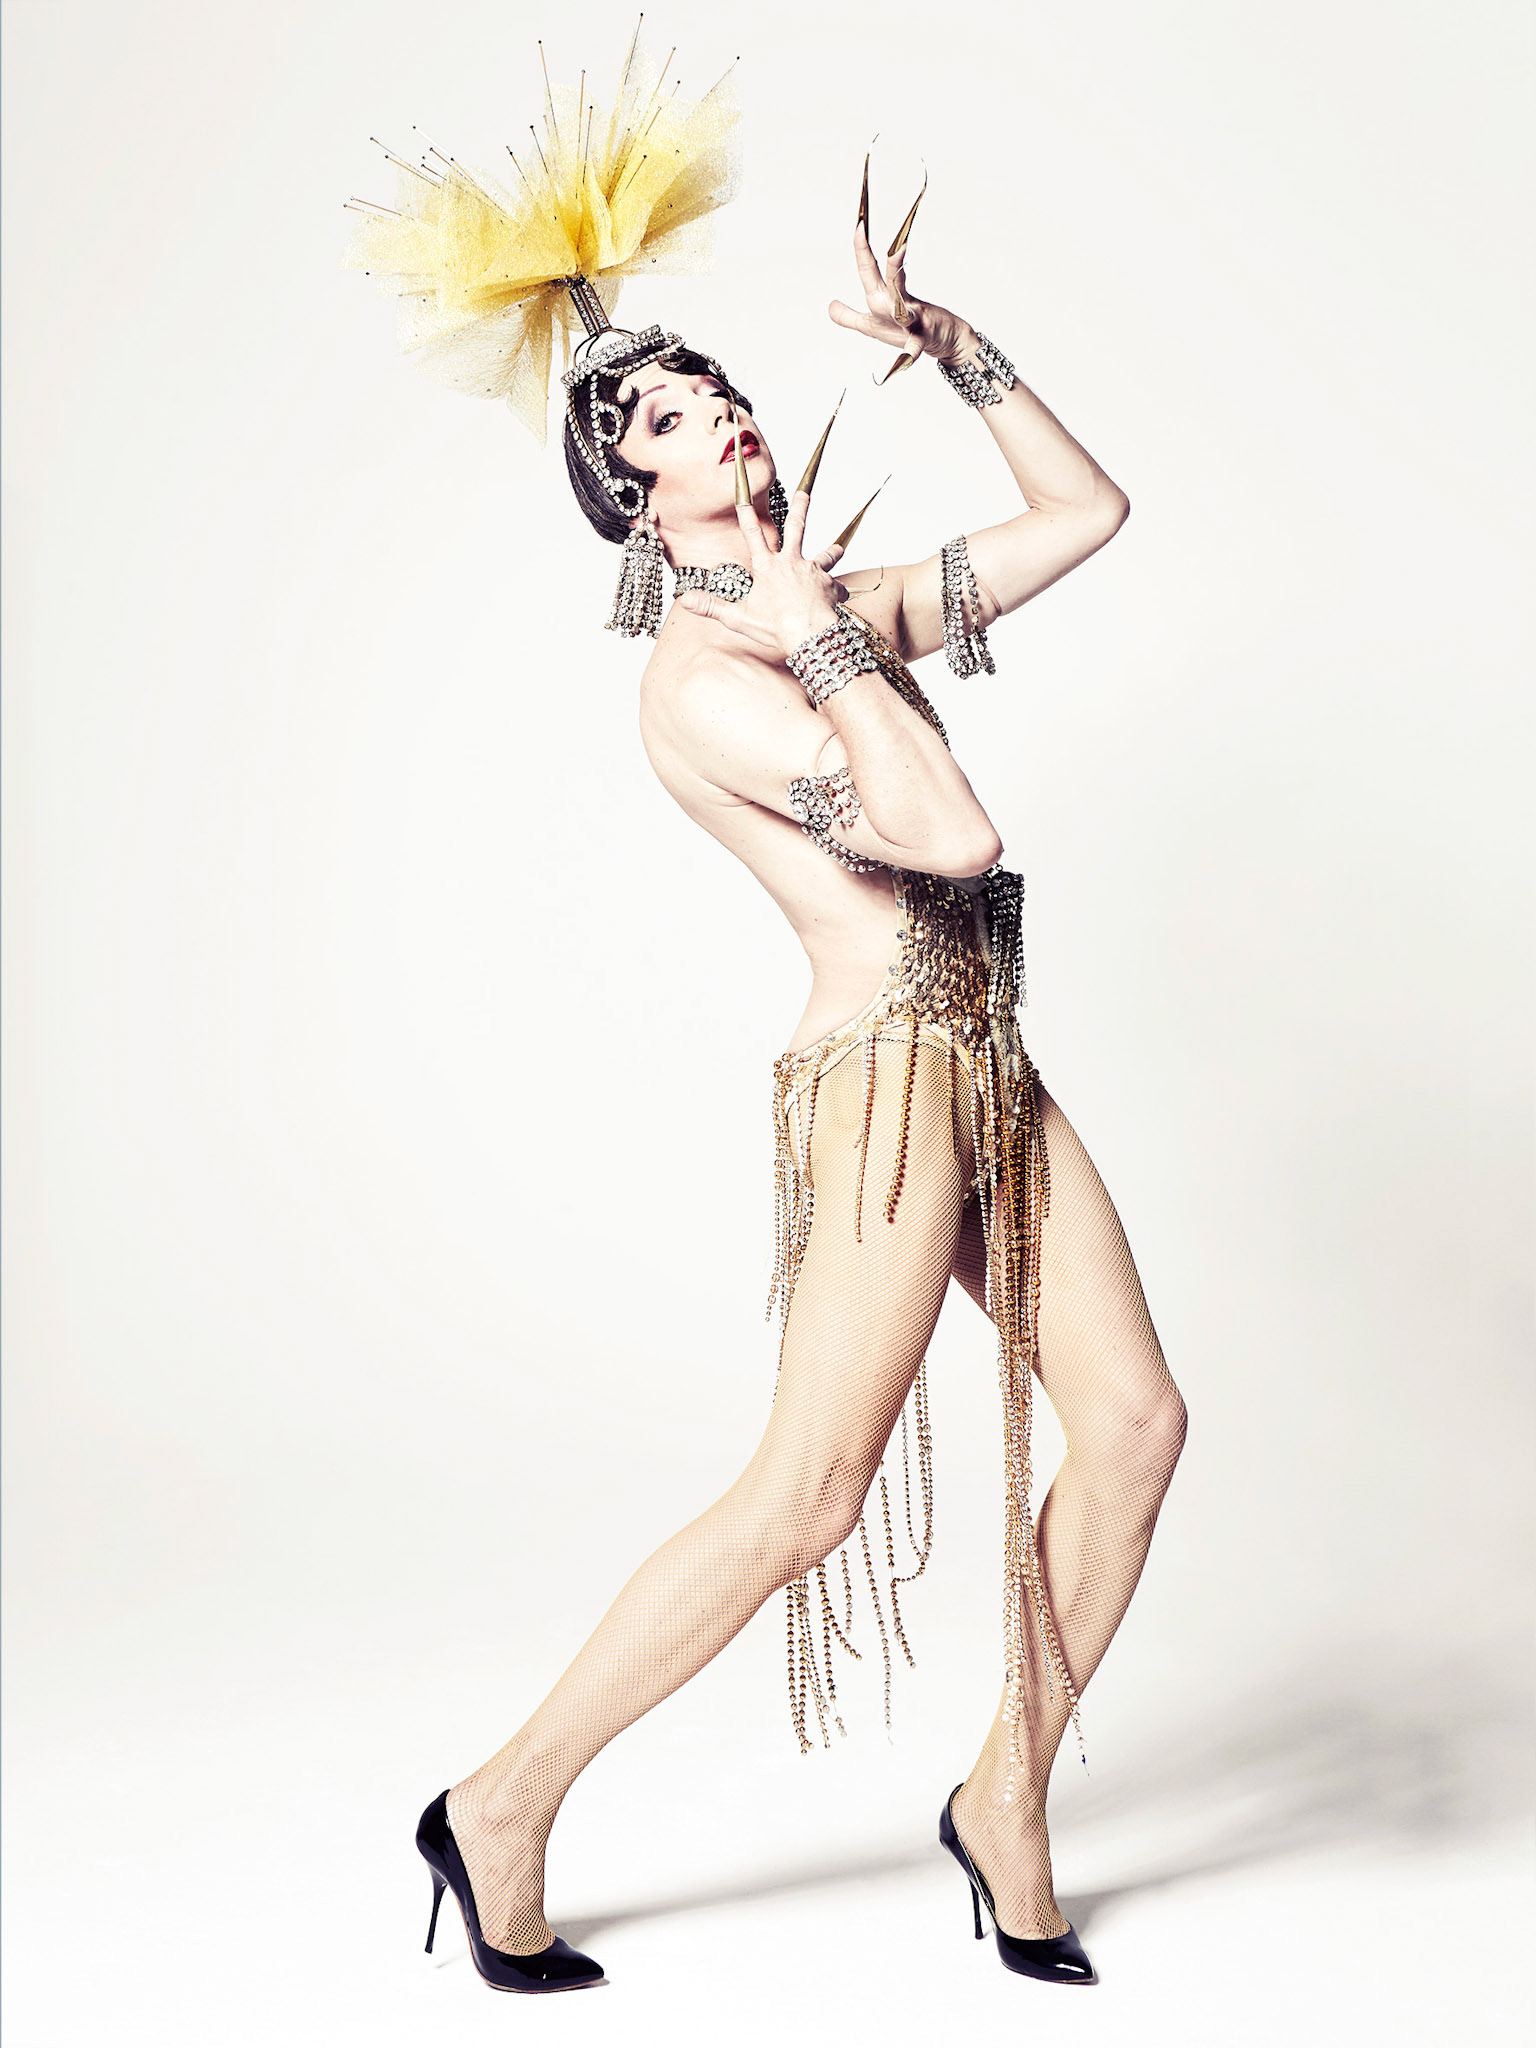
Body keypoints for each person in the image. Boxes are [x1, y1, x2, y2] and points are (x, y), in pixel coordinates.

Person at [406, 190, 1188, 1994]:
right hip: (884, 1083)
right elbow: (951, 835)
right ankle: (500, 1804)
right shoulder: (704, 683)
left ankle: (1008, 1797)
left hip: (983, 1051)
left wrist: (954, 351)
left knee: (1136, 1423)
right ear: (635, 500)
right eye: (672, 419)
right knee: (810, 1492)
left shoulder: (829, 609)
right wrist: (821, 637)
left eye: (722, 391)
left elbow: (1085, 514)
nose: (725, 417)